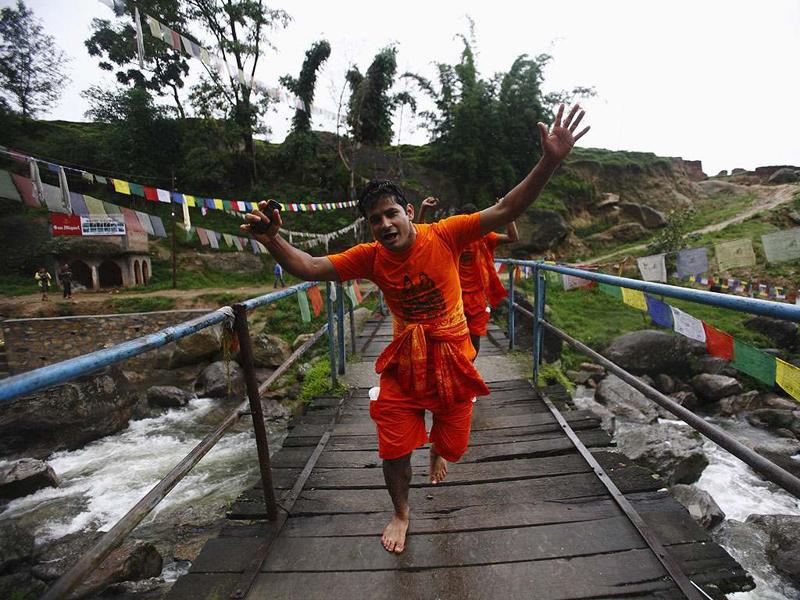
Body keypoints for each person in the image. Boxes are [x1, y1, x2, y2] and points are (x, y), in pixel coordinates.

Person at [242, 104, 589, 555]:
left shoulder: (445, 234)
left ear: (408, 212)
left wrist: (550, 161)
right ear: (369, 226)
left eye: (391, 214)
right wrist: (271, 238)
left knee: (454, 444)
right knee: (393, 447)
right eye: (375, 219)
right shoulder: (369, 257)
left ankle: (439, 448)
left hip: (454, 360)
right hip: (405, 363)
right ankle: (401, 512)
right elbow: (309, 266)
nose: (385, 224)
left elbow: (507, 208)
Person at [418, 198, 518, 354]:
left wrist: (506, 212)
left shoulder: (485, 237)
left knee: (475, 337)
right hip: (453, 296)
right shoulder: (451, 237)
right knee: (452, 337)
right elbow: (422, 236)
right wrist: (423, 209)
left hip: (478, 298)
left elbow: (513, 237)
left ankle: (469, 367)